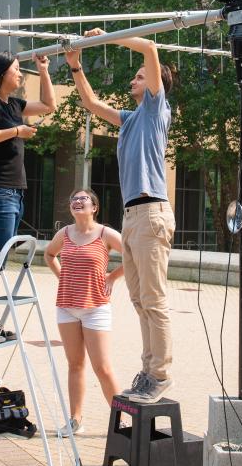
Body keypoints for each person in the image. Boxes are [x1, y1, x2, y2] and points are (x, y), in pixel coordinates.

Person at [64, 30, 176, 403]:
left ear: (156, 83)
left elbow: (150, 48)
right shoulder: (129, 119)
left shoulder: (157, 109)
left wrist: (111, 37)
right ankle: (148, 372)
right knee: (140, 301)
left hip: (152, 211)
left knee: (154, 299)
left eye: (140, 76)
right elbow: (91, 103)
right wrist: (77, 66)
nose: (134, 79)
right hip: (132, 216)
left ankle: (159, 373)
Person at [0, 52, 55, 342]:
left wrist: (43, 71)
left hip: (14, 193)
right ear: (2, 73)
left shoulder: (15, 104)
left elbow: (49, 106)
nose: (20, 74)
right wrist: (17, 130)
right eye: (17, 70)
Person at [44, 188, 123, 436]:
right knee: (75, 365)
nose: (77, 202)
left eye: (83, 199)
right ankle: (75, 419)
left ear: (94, 207)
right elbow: (49, 254)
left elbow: (132, 256)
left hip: (95, 308)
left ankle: (121, 420)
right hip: (67, 307)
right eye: (74, 199)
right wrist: (62, 276)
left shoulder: (105, 233)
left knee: (103, 368)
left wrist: (113, 277)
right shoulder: (64, 233)